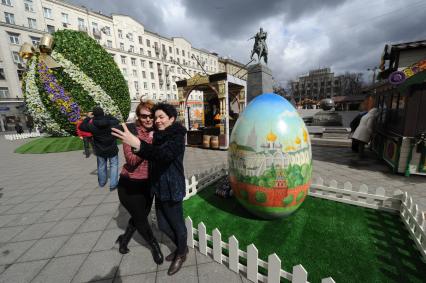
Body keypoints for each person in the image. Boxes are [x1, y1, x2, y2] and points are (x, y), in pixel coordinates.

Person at [112, 103, 188, 276]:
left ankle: (182, 253)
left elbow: (164, 155)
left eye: (161, 117)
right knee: (162, 225)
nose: (156, 120)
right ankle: (181, 248)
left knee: (177, 225)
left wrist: (139, 144)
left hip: (171, 187)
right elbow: (149, 154)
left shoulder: (176, 135)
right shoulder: (158, 134)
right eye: (156, 117)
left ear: (172, 119)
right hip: (158, 187)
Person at [115, 100, 163, 265]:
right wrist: (148, 143)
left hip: (147, 185)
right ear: (138, 117)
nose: (148, 119)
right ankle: (154, 246)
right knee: (142, 219)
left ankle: (123, 240)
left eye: (151, 116)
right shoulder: (131, 133)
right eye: (144, 116)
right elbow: (132, 160)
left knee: (138, 217)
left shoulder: (157, 132)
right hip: (130, 185)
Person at [79, 106, 120, 191]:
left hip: (100, 149)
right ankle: (113, 184)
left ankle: (102, 182)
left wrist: (87, 117)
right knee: (114, 165)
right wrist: (108, 115)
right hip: (111, 147)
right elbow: (117, 120)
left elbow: (81, 126)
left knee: (101, 166)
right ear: (102, 113)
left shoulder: (92, 125)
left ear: (94, 114)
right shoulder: (110, 122)